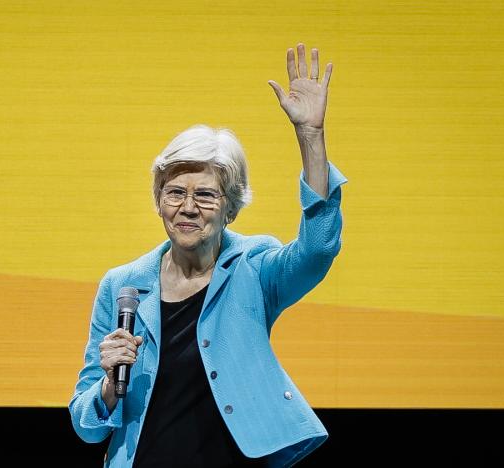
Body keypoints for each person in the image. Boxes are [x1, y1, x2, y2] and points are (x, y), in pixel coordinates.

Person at [69, 43, 347, 468]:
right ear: (159, 202)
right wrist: (109, 384)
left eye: (205, 194)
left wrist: (311, 138)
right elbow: (86, 426)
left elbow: (318, 249)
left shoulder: (254, 265)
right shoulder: (122, 286)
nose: (188, 207)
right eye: (175, 192)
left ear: (231, 205)